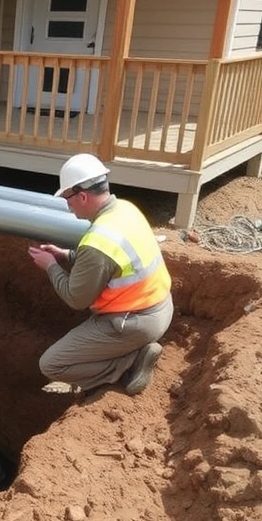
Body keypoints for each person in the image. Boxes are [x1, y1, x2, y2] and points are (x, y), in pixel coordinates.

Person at [27, 153, 173, 396]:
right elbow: (113, 261)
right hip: (160, 308)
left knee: (51, 364)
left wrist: (51, 266)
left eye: (67, 198)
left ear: (82, 195)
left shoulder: (97, 243)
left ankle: (127, 365)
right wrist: (66, 255)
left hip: (134, 324)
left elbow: (76, 298)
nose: (67, 205)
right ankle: (129, 355)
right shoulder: (126, 209)